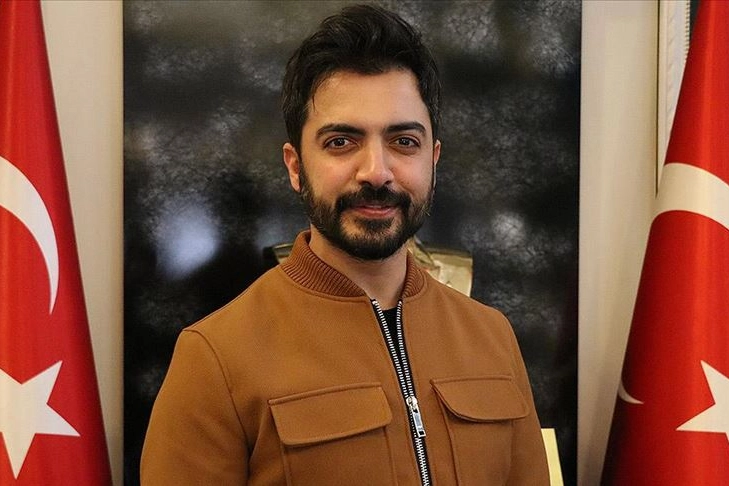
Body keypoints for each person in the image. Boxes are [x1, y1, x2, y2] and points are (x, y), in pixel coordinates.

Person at [140, 4, 550, 485]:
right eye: (341, 142)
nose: (376, 172)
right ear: (295, 167)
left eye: (404, 141)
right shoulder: (215, 358)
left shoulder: (492, 337)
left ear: (433, 159)